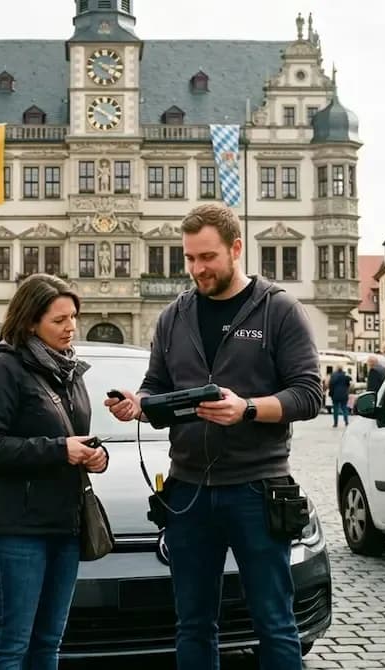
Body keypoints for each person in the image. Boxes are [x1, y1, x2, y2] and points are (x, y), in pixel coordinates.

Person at [106, 203, 323, 670]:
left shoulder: (278, 309)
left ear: (236, 248)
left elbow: (308, 395)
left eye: (207, 257)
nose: (197, 269)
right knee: (193, 623)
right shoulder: (172, 317)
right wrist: (138, 404)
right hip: (188, 493)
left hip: (256, 489)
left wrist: (245, 409)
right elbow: (156, 389)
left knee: (274, 622)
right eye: (190, 259)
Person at [0, 273, 108, 670]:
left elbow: (75, 437)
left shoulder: (69, 372)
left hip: (64, 524)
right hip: (16, 527)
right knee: (12, 642)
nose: (71, 327)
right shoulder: (2, 370)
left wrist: (95, 457)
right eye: (59, 320)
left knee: (49, 641)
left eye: (73, 318)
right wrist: (59, 450)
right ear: (31, 322)